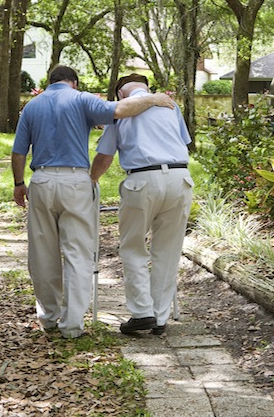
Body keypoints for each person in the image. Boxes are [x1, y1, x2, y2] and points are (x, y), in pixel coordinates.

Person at [11, 65, 174, 339]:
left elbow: (18, 151)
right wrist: (153, 99)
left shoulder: (32, 106)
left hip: (40, 180)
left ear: (50, 82)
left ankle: (48, 318)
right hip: (75, 181)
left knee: (42, 252)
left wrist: (18, 184)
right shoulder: (81, 98)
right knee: (78, 252)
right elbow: (120, 110)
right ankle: (72, 325)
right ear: (73, 82)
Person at [90, 73, 193, 336]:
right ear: (146, 88)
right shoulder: (171, 105)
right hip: (180, 177)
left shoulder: (121, 111)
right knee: (168, 251)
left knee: (133, 246)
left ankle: (142, 312)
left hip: (143, 179)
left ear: (120, 94)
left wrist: (90, 180)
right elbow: (184, 143)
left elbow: (105, 156)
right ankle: (160, 317)